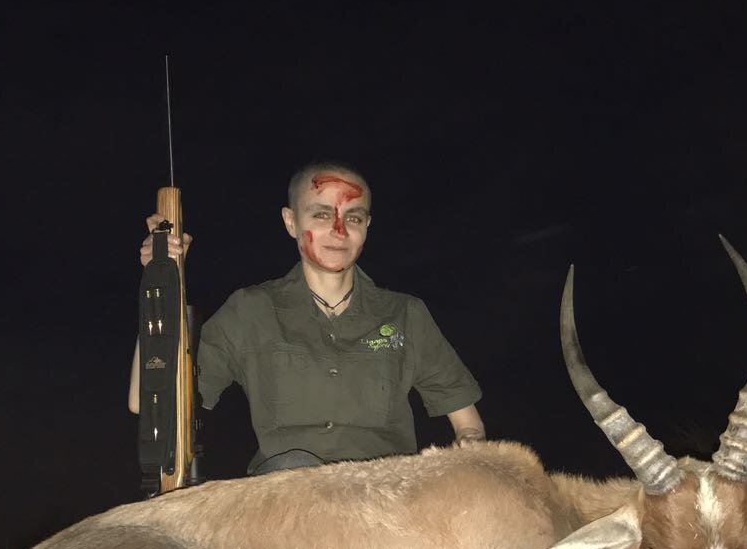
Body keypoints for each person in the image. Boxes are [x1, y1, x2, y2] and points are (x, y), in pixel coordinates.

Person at [129, 162, 484, 474]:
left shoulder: (406, 314)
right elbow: (146, 403)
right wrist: (160, 285)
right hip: (287, 501)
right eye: (322, 215)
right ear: (290, 222)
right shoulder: (250, 310)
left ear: (368, 226)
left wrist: (460, 461)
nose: (340, 231)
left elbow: (469, 428)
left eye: (354, 218)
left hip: (385, 502)